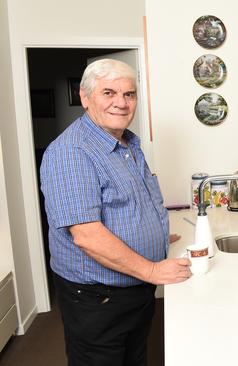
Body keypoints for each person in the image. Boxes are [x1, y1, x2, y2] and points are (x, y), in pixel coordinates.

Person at [40, 59, 191, 366]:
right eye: (109, 93)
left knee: (134, 358)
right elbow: (87, 236)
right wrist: (151, 270)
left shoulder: (128, 142)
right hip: (98, 298)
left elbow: (131, 203)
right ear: (85, 97)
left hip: (132, 289)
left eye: (129, 94)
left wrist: (158, 234)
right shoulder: (72, 152)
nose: (121, 103)